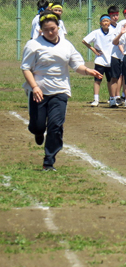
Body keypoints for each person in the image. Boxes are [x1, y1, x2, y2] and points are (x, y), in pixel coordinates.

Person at [21, 11, 102, 171]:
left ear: (58, 27)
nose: (50, 32)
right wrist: (35, 87)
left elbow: (75, 64)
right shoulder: (33, 45)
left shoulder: (66, 45)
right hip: (39, 91)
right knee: (38, 126)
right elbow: (26, 68)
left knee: (56, 126)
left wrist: (87, 70)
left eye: (53, 28)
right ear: (41, 30)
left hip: (60, 91)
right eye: (46, 30)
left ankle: (49, 161)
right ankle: (38, 131)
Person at [82, 14, 117, 107]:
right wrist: (93, 49)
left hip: (110, 60)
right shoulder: (96, 32)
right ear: (100, 23)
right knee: (98, 80)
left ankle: (112, 99)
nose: (106, 23)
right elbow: (84, 41)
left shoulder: (114, 32)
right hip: (100, 60)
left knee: (110, 80)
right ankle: (96, 99)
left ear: (110, 22)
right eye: (104, 21)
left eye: (107, 21)